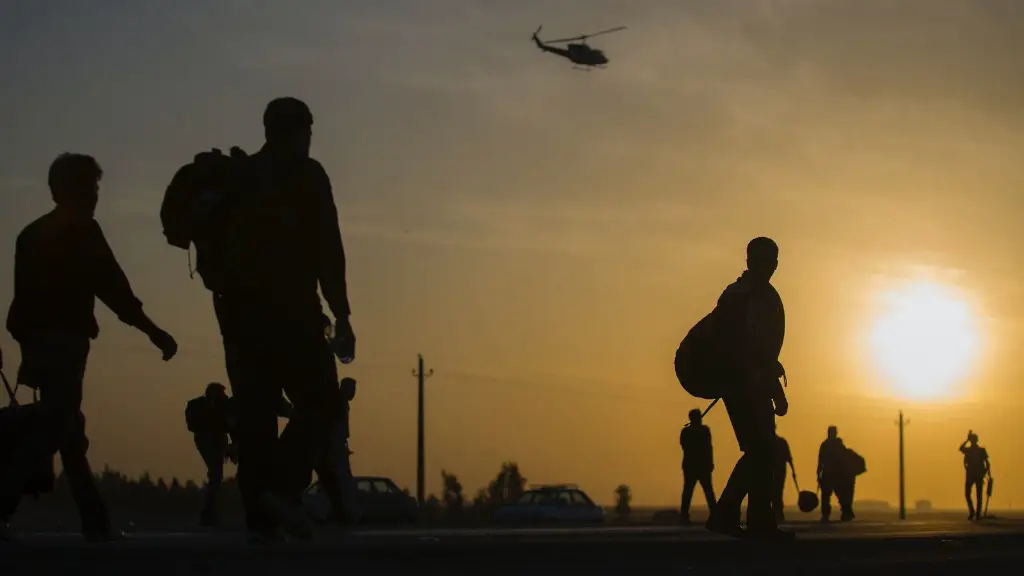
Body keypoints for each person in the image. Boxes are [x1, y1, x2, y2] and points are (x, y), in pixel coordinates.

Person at [1, 153, 178, 543]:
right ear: (78, 189)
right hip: (65, 343)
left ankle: (95, 521)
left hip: (38, 344)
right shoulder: (83, 231)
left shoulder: (30, 235)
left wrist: (27, 344)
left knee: (68, 430)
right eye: (93, 187)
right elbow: (113, 287)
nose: (97, 195)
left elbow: (20, 306)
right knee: (53, 427)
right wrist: (153, 331)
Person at [214, 97, 355, 542]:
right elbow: (328, 249)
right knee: (324, 403)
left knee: (256, 416)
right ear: (300, 132)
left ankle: (262, 517)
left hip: (238, 317)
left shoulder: (241, 177)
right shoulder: (307, 176)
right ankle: (282, 487)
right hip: (293, 312)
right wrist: (343, 314)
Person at [705, 237, 792, 540]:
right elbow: (758, 349)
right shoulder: (758, 297)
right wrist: (774, 389)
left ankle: (751, 519)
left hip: (737, 384)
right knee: (763, 450)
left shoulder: (734, 293)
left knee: (760, 451)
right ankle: (735, 514)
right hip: (749, 384)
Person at [679, 408, 715, 525]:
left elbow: (708, 448)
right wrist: (710, 463)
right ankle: (715, 516)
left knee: (694, 491)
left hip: (694, 465)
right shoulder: (701, 431)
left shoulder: (687, 431)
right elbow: (708, 448)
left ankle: (714, 515)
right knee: (704, 491)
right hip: (698, 465)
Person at [817, 425, 854, 522]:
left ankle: (844, 514)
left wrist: (819, 473)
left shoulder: (834, 444)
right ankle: (827, 515)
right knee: (828, 496)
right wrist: (819, 473)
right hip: (832, 474)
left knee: (838, 495)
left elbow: (844, 458)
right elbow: (821, 460)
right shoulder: (831, 445)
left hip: (836, 474)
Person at [959, 431, 990, 521]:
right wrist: (967, 440)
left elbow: (987, 462)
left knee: (977, 495)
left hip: (977, 475)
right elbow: (960, 448)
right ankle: (973, 512)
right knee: (969, 494)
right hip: (971, 475)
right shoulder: (970, 450)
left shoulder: (981, 450)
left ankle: (976, 514)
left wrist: (986, 472)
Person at [773, 430, 795, 523]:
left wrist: (793, 471)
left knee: (776, 492)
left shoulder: (780, 442)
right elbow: (789, 458)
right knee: (777, 493)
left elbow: (789, 457)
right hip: (776, 471)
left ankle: (777, 514)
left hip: (778, 471)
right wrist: (793, 471)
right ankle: (777, 514)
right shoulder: (781, 442)